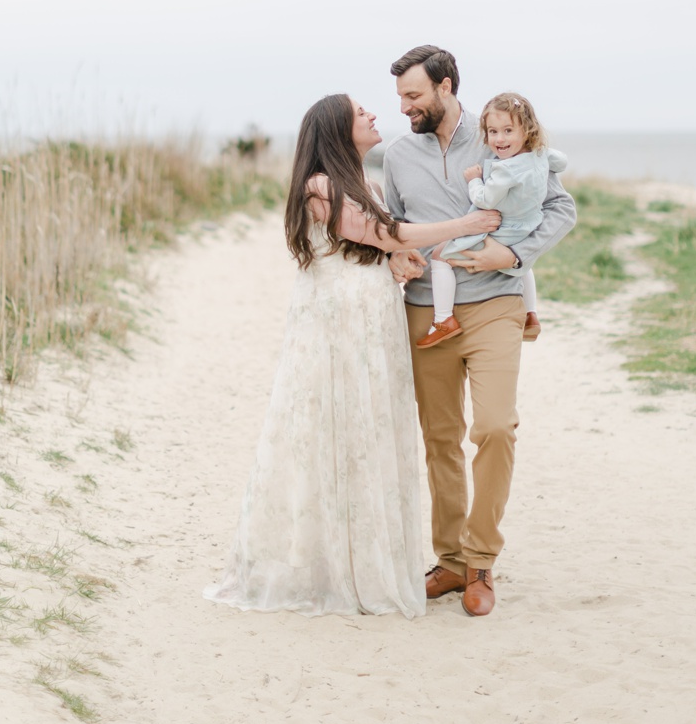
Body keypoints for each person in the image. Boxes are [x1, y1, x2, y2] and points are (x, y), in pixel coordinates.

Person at [205, 94, 501, 619]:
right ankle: (332, 566)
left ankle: (367, 556)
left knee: (371, 430)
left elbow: (373, 249)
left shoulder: (369, 182)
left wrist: (400, 264)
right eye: (359, 111)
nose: (371, 114)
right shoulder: (320, 185)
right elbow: (381, 234)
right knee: (336, 431)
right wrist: (464, 225)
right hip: (338, 325)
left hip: (372, 320)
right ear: (337, 129)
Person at [382, 46, 575, 619]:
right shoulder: (396, 155)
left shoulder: (500, 133)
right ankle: (451, 562)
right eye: (400, 98)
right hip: (425, 310)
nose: (405, 108)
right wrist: (396, 259)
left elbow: (561, 209)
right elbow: (393, 229)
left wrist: (510, 253)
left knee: (493, 428)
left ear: (445, 86)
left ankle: (483, 560)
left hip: (495, 305)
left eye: (414, 96)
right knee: (440, 438)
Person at [418, 91, 570, 348]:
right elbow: (562, 162)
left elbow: (485, 200)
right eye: (493, 131)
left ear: (527, 131)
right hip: (527, 227)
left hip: (500, 232)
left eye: (508, 130)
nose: (499, 139)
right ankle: (530, 313)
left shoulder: (504, 170)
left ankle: (443, 320)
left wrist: (474, 179)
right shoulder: (541, 154)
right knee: (525, 264)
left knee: (439, 256)